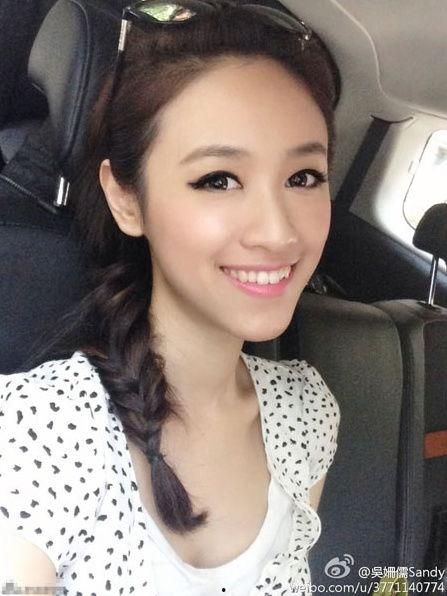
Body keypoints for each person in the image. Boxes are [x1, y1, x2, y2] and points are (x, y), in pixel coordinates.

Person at [0, 0, 341, 594]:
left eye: (303, 177)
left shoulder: (307, 414)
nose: (279, 232)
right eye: (218, 179)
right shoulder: (39, 429)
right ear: (127, 200)